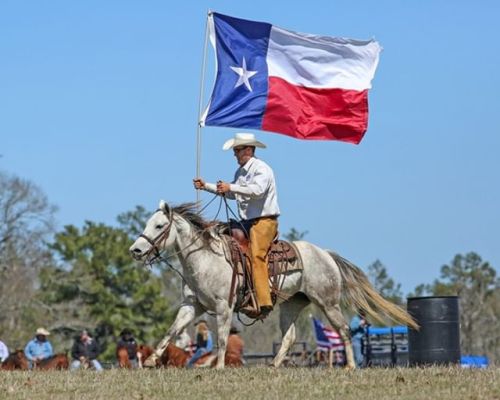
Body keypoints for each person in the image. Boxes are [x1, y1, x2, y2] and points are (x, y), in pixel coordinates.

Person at [193, 132, 280, 318]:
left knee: (257, 255)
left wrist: (230, 187)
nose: (235, 154)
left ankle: (264, 301)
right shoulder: (240, 172)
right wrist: (206, 185)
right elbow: (232, 194)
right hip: (246, 222)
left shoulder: (262, 169)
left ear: (248, 150)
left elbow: (256, 191)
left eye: (237, 150)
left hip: (264, 221)